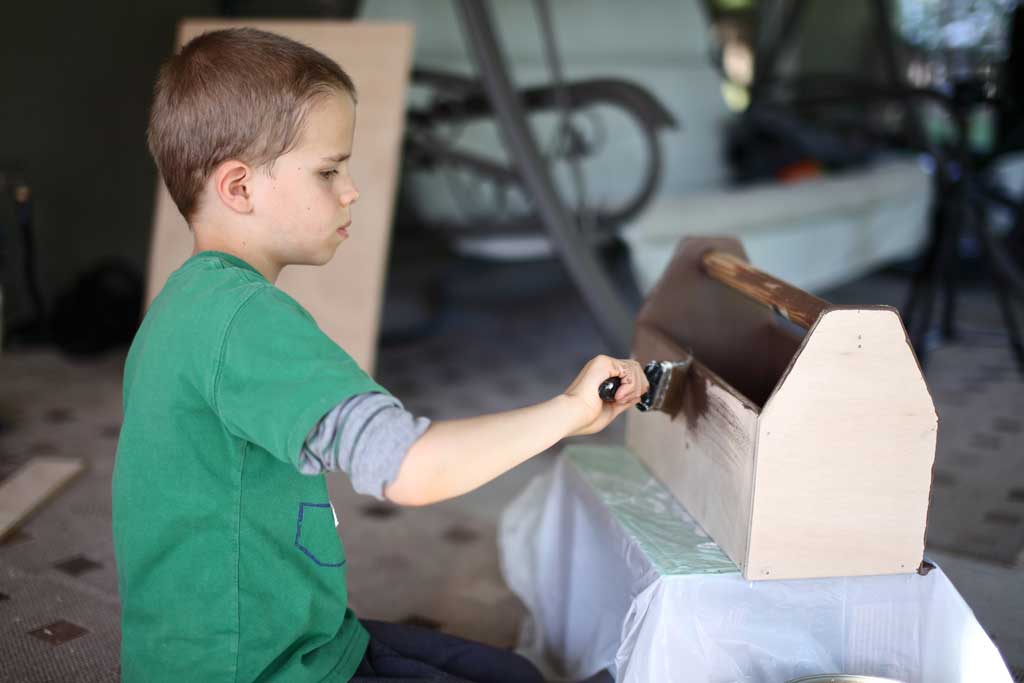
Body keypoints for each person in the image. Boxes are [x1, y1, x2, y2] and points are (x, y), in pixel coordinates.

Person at [112, 27, 646, 683]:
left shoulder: (189, 303)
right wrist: (566, 411)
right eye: (329, 169)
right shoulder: (244, 321)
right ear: (240, 187)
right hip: (250, 667)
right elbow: (409, 469)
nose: (351, 189)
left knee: (507, 671)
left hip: (291, 635)